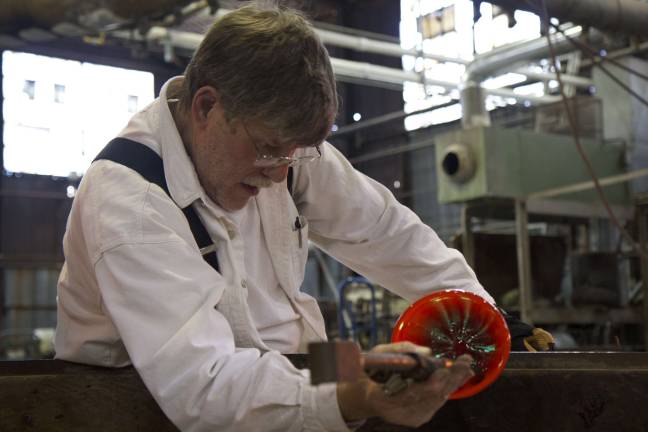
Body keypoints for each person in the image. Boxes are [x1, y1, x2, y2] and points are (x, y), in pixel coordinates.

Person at [54, 2, 546, 431]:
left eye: (296, 154)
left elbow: (385, 231)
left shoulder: (283, 154)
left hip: (293, 369)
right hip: (146, 404)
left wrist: (482, 314)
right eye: (268, 151)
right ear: (207, 107)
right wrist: (353, 397)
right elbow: (203, 386)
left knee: (388, 367)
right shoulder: (132, 203)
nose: (278, 176)